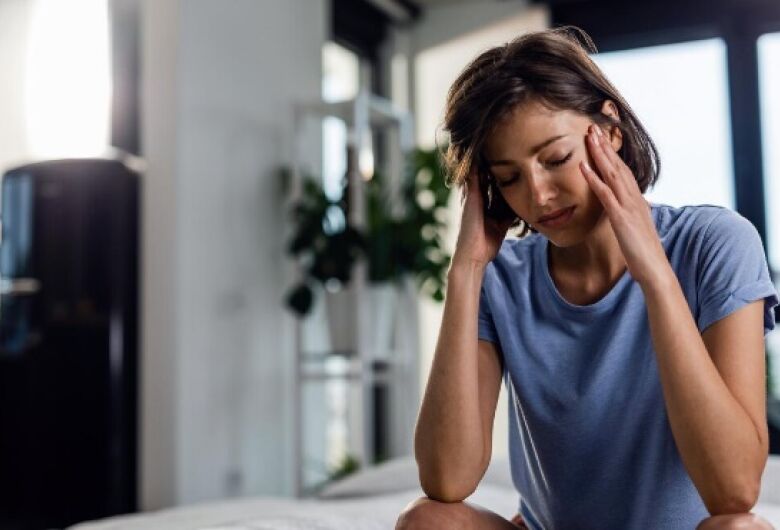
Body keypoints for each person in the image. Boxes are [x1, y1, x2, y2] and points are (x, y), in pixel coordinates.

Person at [394, 26, 779, 530]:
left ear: (610, 131)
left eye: (555, 159)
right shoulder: (501, 279)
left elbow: (734, 491)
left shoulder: (716, 242)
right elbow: (447, 479)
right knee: (428, 521)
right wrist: (465, 272)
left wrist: (655, 277)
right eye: (508, 177)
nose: (538, 195)